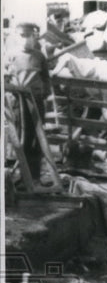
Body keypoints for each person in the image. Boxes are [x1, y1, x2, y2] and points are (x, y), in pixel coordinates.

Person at [8, 22, 51, 181]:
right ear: (17, 37)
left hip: (36, 101)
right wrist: (13, 90)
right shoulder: (11, 56)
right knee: (21, 137)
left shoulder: (40, 56)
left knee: (37, 138)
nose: (26, 40)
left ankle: (35, 175)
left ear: (34, 37)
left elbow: (46, 79)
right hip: (19, 101)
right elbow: (6, 77)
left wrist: (44, 94)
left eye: (29, 36)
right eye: (22, 36)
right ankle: (21, 173)